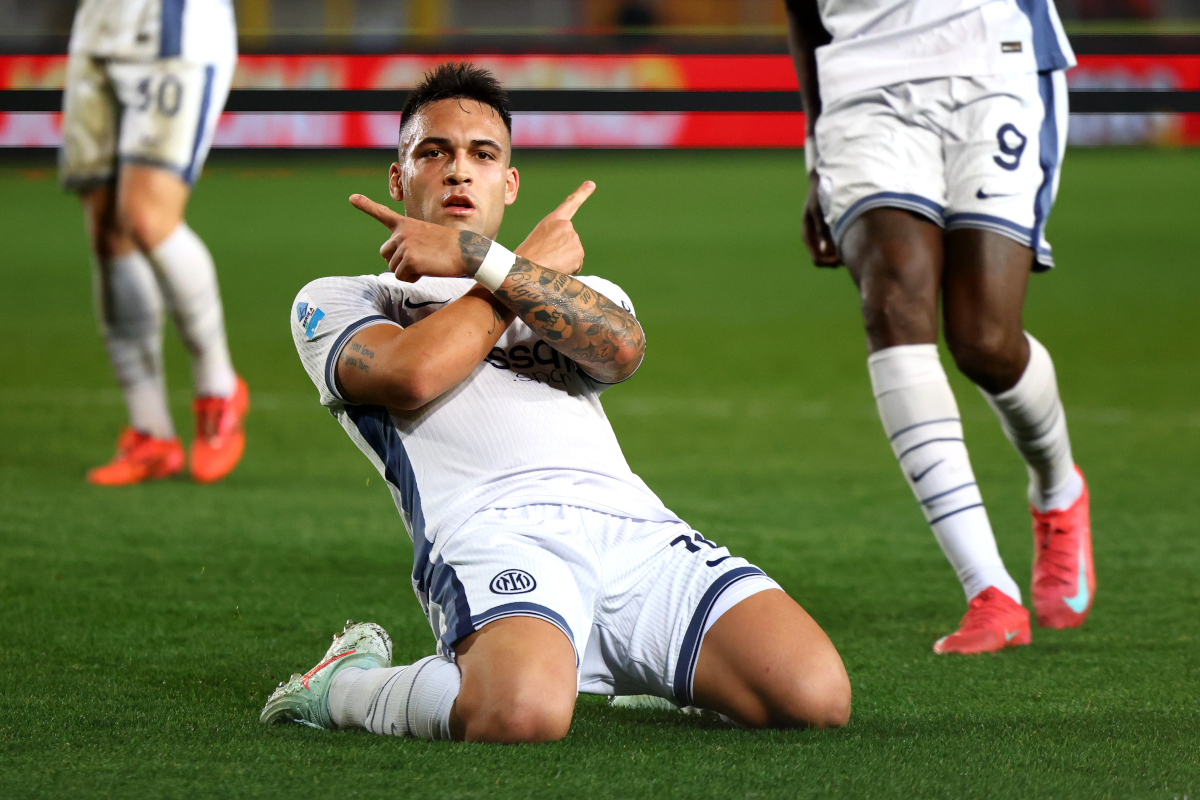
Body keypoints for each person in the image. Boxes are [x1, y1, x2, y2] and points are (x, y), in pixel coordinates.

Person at [261, 63, 850, 742]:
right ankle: (344, 686)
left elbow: (622, 349)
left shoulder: (568, 287)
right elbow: (410, 377)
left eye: (482, 155)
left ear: (508, 184)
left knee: (815, 696)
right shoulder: (341, 299)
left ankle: (657, 674)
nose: (459, 171)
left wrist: (489, 263)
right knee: (521, 714)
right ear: (398, 178)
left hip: (635, 529)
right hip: (492, 530)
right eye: (434, 152)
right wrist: (501, 266)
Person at [784, 0, 1093, 654]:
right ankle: (990, 592)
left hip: (993, 61)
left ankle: (1058, 486)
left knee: (984, 342)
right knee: (893, 305)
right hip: (863, 83)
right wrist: (817, 152)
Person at [60, 0, 249, 485]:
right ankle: (150, 431)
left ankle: (218, 387)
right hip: (97, 25)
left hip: (172, 26)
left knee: (146, 217)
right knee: (106, 230)